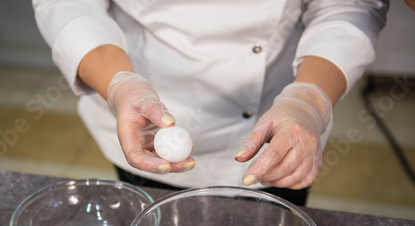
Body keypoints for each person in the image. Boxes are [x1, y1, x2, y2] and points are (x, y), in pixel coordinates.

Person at [33, 0, 388, 206]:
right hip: (142, 124)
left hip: (280, 127)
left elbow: (347, 6)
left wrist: (309, 100)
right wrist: (118, 84)